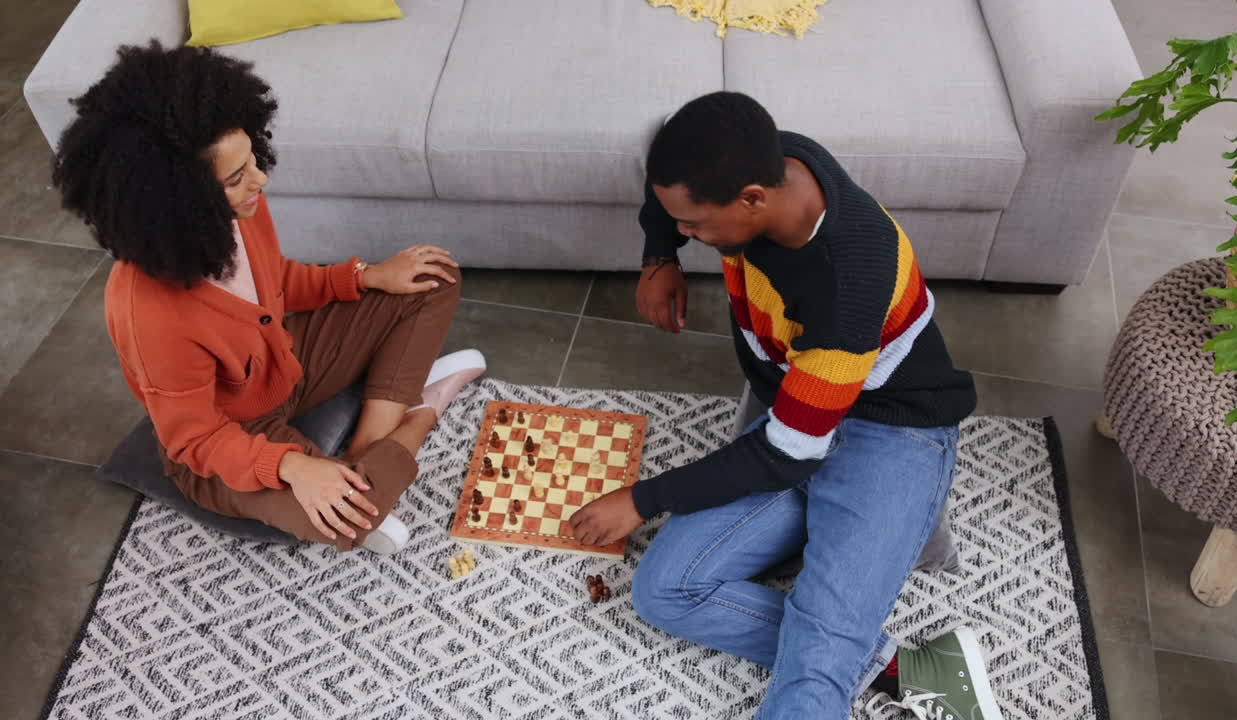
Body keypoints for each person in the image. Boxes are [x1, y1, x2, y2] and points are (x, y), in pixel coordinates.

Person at [568, 92, 1002, 719]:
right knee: (665, 591)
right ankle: (906, 666)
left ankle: (832, 650)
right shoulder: (767, 161)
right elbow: (667, 181)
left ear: (751, 199)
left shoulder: (847, 284)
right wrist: (659, 255)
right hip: (792, 416)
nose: (690, 236)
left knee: (815, 674)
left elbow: (785, 454)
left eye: (694, 226)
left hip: (890, 434)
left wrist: (642, 498)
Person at [52, 43, 486, 554]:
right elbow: (194, 440)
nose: (261, 179)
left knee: (434, 277)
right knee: (352, 522)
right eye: (237, 178)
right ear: (180, 202)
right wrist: (293, 466)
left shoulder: (239, 212)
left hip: (287, 359)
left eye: (252, 159)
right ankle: (422, 411)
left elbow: (276, 282)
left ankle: (366, 450)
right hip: (230, 435)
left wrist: (366, 277)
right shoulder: (148, 312)